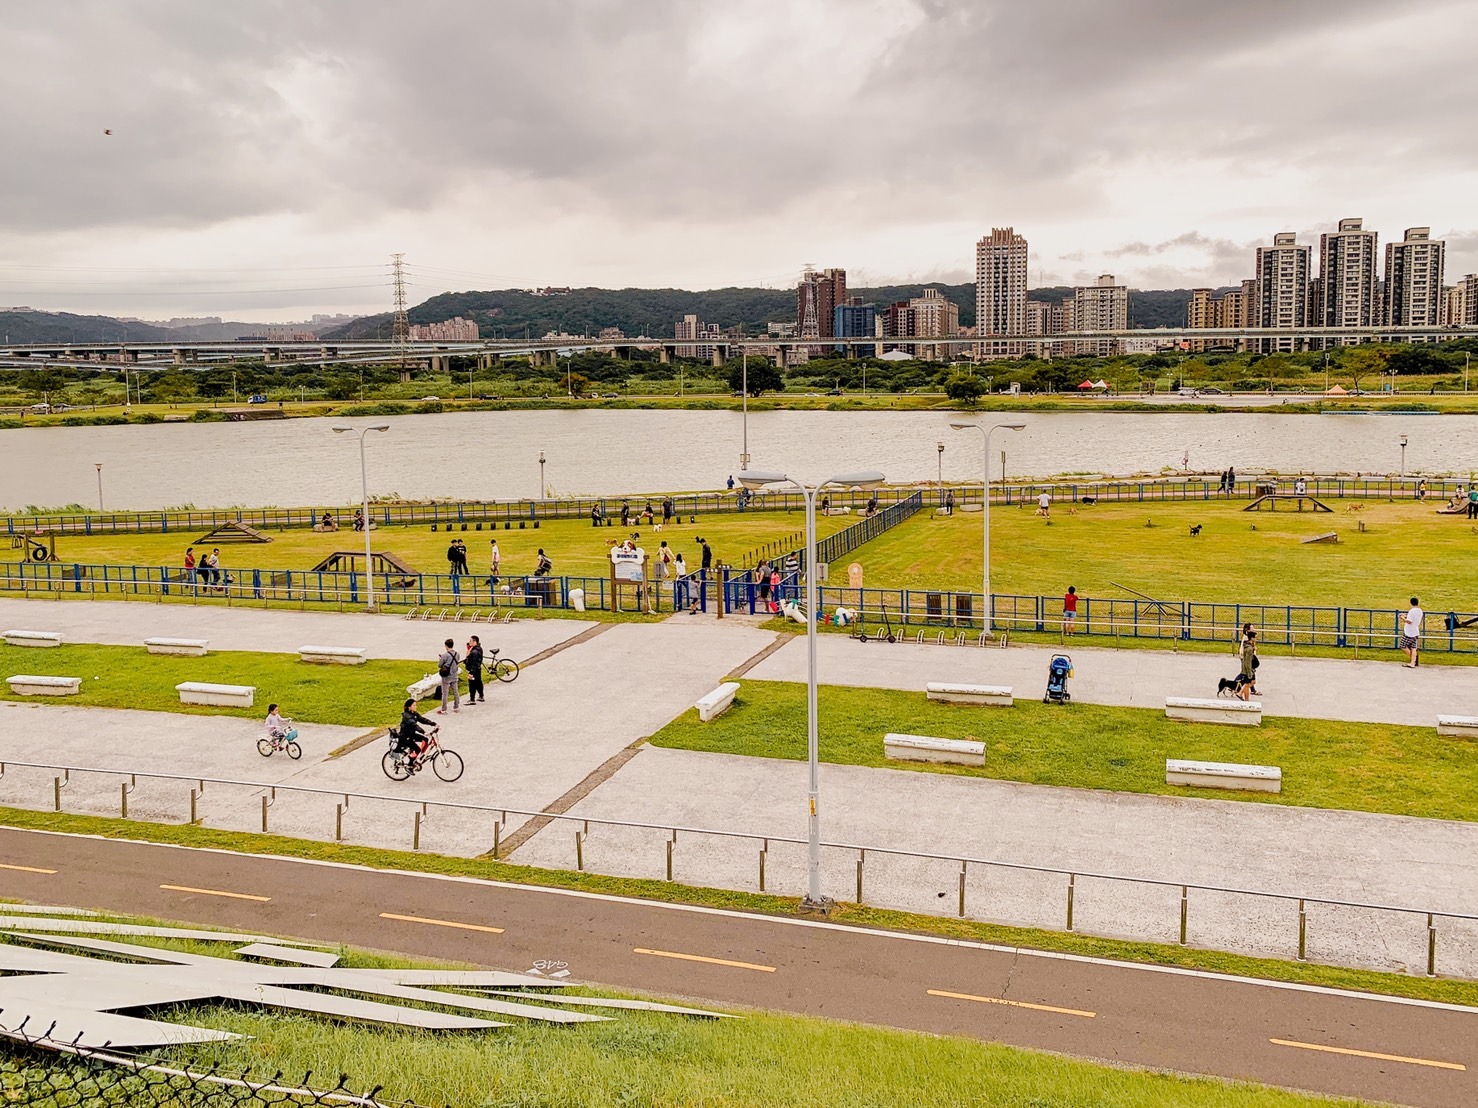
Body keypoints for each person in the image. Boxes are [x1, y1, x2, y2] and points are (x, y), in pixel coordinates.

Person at [396, 697, 436, 763]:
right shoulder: (407, 716)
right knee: (417, 749)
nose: (416, 707)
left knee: (426, 740)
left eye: (416, 705)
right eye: (414, 705)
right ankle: (410, 765)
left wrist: (433, 724)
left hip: (411, 734)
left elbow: (422, 720)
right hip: (405, 737)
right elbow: (414, 725)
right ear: (409, 707)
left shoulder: (414, 713)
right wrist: (423, 732)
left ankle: (420, 756)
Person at [436, 637, 461, 715]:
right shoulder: (457, 654)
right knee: (455, 691)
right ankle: (456, 706)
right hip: (454, 674)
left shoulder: (445, 655)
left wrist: (440, 659)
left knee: (445, 693)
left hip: (446, 676)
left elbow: (440, 665)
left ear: (446, 646)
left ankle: (444, 709)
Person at [1236, 629, 1258, 702]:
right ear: (1251, 638)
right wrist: (1249, 672)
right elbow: (1248, 661)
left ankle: (1246, 700)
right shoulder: (1249, 649)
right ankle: (1240, 693)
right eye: (1254, 637)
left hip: (1247, 668)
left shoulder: (1248, 646)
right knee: (1251, 682)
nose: (1255, 639)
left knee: (1248, 683)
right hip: (1248, 669)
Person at [1402, 597, 1424, 668]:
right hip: (1415, 631)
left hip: (1409, 632)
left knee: (1403, 645)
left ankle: (1413, 659)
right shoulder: (1420, 610)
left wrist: (1403, 618)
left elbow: (1409, 621)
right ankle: (1413, 662)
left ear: (1411, 603)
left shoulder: (1412, 611)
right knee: (1413, 647)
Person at [465, 635, 485, 705]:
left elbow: (474, 663)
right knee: (478, 682)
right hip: (478, 669)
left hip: (473, 670)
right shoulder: (478, 649)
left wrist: (471, 673)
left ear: (474, 641)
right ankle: (481, 695)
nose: (469, 642)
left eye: (470, 641)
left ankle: (472, 699)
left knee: (472, 685)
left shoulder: (474, 652)